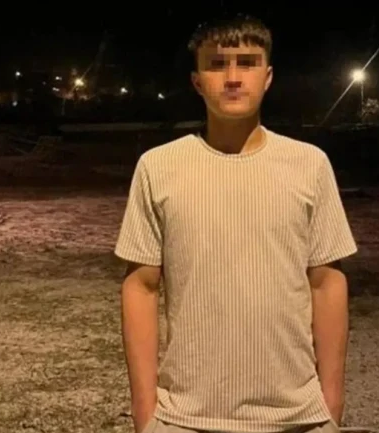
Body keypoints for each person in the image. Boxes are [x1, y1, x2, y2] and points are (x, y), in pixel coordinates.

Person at [115, 14, 358, 433]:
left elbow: (327, 282)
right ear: (197, 81)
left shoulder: (309, 165)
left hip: (298, 415)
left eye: (247, 63)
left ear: (267, 77)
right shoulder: (158, 167)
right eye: (217, 64)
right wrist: (145, 411)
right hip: (184, 417)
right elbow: (141, 286)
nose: (232, 78)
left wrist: (331, 401)